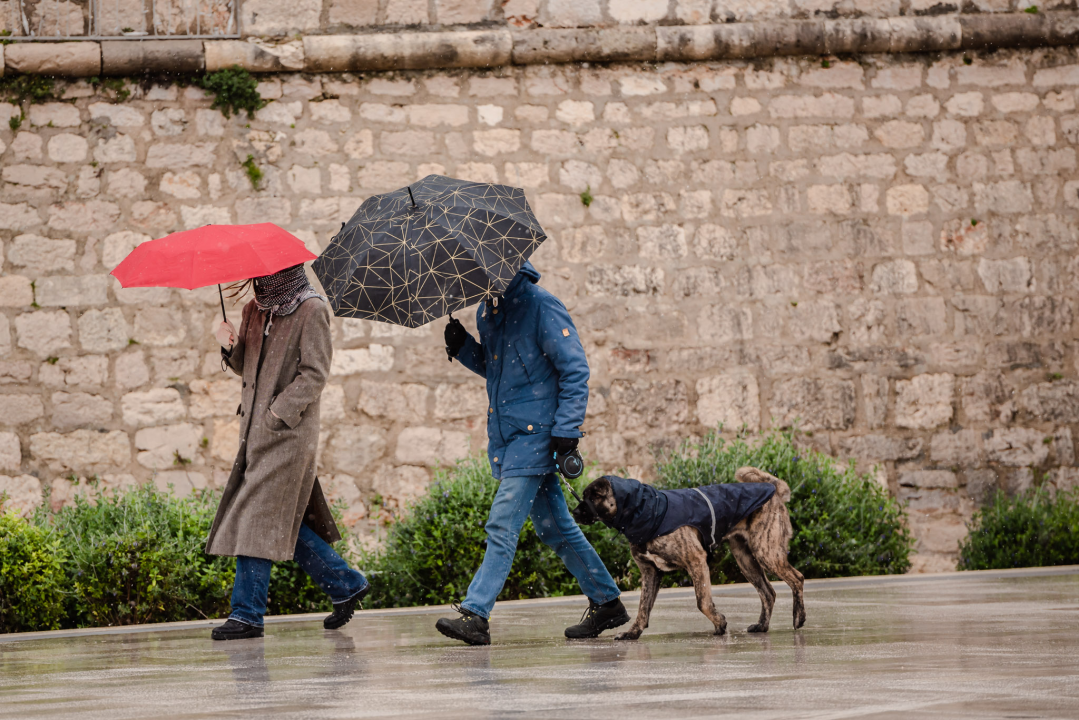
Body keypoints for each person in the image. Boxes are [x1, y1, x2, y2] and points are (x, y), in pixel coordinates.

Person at [435, 261, 628, 645]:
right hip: (509, 437)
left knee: (502, 523)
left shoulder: (541, 305)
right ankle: (607, 602)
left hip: (538, 436)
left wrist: (567, 431)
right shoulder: (486, 311)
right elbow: (499, 372)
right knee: (554, 527)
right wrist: (463, 348)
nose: (473, 280)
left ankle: (476, 613)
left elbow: (575, 369)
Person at [206, 264, 370, 640]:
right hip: (255, 435)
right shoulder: (255, 309)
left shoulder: (311, 309)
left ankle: (246, 615)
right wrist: (228, 345)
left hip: (288, 435)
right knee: (279, 520)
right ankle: (346, 584)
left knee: (256, 516)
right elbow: (245, 367)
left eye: (264, 273)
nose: (257, 281)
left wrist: (277, 413)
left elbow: (315, 373)